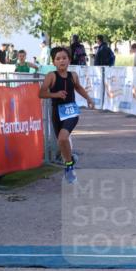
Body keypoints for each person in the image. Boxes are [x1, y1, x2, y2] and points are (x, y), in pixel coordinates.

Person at [39, 46, 94, 184]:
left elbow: (78, 87)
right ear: (54, 62)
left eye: (64, 58)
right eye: (58, 59)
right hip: (56, 112)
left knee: (63, 138)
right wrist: (55, 94)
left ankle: (69, 168)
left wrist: (88, 98)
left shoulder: (73, 75)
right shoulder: (51, 76)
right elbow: (41, 93)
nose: (61, 61)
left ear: (69, 60)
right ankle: (71, 160)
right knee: (61, 142)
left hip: (71, 112)